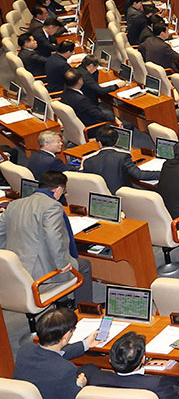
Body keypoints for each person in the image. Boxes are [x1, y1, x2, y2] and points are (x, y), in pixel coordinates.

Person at [0, 170, 94, 302]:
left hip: (16, 269)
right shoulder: (53, 206)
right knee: (84, 265)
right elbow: (53, 237)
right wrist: (62, 264)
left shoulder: (14, 204)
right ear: (59, 189)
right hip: (39, 273)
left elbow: (1, 233)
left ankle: (63, 300)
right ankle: (84, 308)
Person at [13, 307, 100, 399]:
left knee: (90, 368)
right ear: (66, 336)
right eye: (72, 330)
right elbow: (73, 396)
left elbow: (54, 355)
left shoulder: (25, 350)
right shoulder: (66, 370)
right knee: (92, 370)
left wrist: (85, 344)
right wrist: (80, 385)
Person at [83, 125, 159, 192]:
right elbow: (139, 175)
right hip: (123, 196)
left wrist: (81, 168)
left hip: (102, 196)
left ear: (99, 143)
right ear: (117, 141)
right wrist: (163, 173)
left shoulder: (88, 161)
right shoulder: (123, 157)